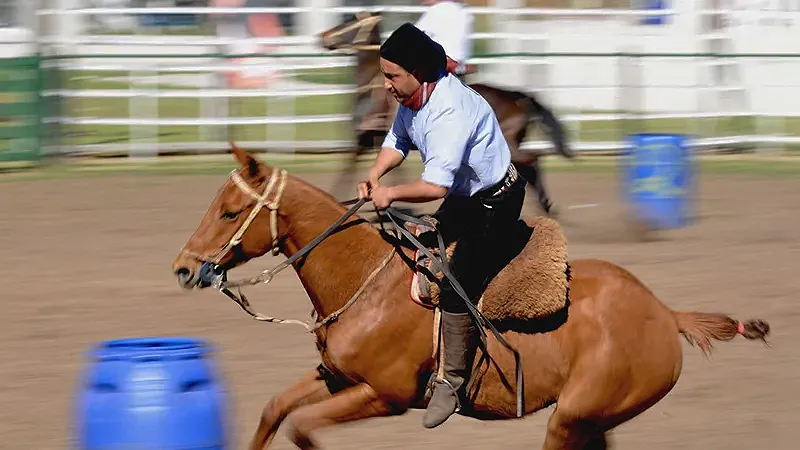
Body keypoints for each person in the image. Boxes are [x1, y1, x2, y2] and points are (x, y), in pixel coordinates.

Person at [356, 22, 526, 429]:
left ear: (416, 72)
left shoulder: (450, 110)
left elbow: (435, 186)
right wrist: (375, 174)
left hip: (494, 203)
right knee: (410, 243)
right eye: (384, 74)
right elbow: (397, 142)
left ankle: (453, 381)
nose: (386, 85)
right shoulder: (413, 97)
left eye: (392, 76)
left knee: (456, 283)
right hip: (466, 198)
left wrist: (390, 194)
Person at [415, 0, 473, 78]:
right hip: (458, 66)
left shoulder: (438, 10)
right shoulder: (463, 11)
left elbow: (413, 35)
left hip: (440, 67)